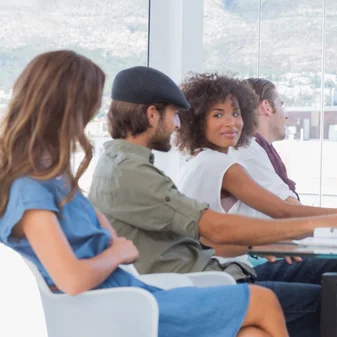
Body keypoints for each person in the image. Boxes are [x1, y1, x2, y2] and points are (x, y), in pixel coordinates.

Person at [0, 50, 289, 337]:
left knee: (253, 333)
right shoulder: (30, 189)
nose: (88, 120)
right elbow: (72, 279)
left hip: (128, 295)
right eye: (88, 107)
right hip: (121, 309)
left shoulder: (51, 177)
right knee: (264, 301)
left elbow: (101, 233)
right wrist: (115, 253)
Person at [88, 67, 337, 337]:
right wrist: (327, 221)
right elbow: (223, 228)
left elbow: (190, 240)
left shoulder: (123, 165)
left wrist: (257, 245)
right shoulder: (134, 172)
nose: (177, 124)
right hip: (202, 286)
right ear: (152, 115)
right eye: (174, 114)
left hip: (211, 271)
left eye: (236, 113)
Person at [232, 77, 337, 334]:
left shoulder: (259, 152)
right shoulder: (248, 151)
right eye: (282, 104)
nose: (286, 115)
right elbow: (286, 211)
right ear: (266, 107)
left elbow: (288, 212)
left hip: (270, 250)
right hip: (256, 261)